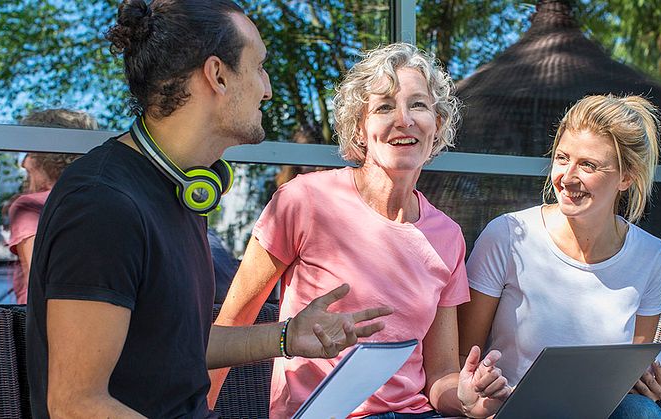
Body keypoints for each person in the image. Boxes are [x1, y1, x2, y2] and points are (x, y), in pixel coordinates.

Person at [25, 1, 391, 418]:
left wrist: (287, 336)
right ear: (217, 75)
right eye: (258, 68)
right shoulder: (102, 204)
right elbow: (76, 405)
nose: (267, 88)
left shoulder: (180, 191)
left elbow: (175, 346)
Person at [211, 43, 511, 419]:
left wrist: (468, 398)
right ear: (359, 128)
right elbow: (232, 323)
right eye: (385, 107)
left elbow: (440, 378)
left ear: (438, 124)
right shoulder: (304, 201)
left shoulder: (447, 236)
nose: (404, 119)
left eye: (418, 105)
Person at [460, 94, 661, 418]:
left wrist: (646, 386)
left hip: (596, 412)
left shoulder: (651, 256)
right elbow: (463, 359)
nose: (567, 177)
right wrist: (480, 387)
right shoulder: (508, 235)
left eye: (588, 165)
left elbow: (629, 375)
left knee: (643, 411)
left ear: (626, 177)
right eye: (562, 158)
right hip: (510, 410)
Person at [5, 109, 98, 304]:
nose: (23, 163)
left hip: (42, 325)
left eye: (29, 153)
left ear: (45, 157)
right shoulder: (97, 199)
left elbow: (38, 283)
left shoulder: (29, 206)